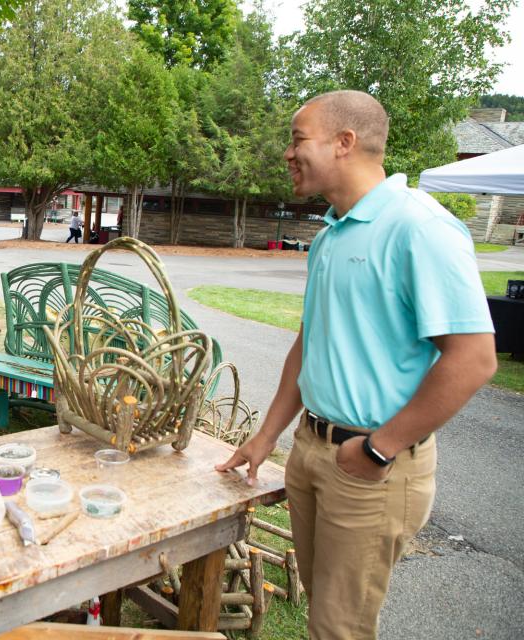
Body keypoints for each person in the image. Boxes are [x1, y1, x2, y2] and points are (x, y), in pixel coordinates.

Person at [216, 90, 496, 640]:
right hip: (312, 451)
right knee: (325, 611)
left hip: (371, 465)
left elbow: (474, 359)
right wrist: (268, 436)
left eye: (298, 139)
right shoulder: (330, 235)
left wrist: (377, 449)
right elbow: (309, 344)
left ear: (345, 143)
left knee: (339, 628)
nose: (287, 154)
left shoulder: (419, 227)